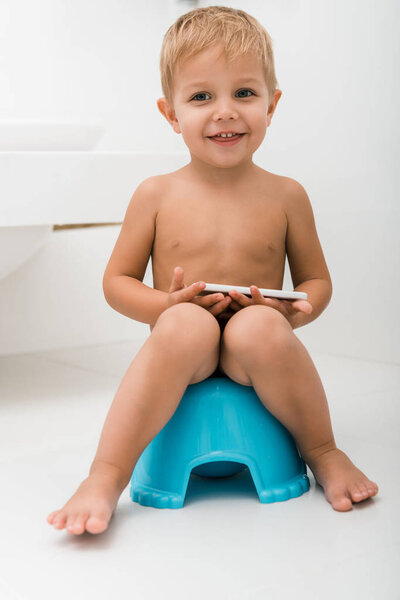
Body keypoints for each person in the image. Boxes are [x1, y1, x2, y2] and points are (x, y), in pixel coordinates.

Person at [47, 6, 378, 535]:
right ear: (171, 113)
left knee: (259, 327)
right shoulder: (155, 193)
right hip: (186, 350)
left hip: (257, 348)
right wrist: (164, 306)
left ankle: (323, 451)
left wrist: (292, 310)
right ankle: (106, 475)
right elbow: (116, 282)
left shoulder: (286, 195)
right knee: (186, 324)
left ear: (272, 104)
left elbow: (317, 280)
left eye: (244, 93)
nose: (224, 112)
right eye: (201, 97)